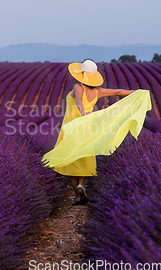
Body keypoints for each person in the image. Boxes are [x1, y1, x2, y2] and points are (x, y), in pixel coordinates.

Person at [43, 59, 149, 206]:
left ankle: (77, 193)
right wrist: (138, 93)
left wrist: (82, 112)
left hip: (73, 125)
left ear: (81, 74)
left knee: (71, 158)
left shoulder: (78, 87)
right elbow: (118, 91)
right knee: (85, 155)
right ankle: (82, 186)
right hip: (89, 126)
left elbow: (79, 100)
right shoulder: (97, 91)